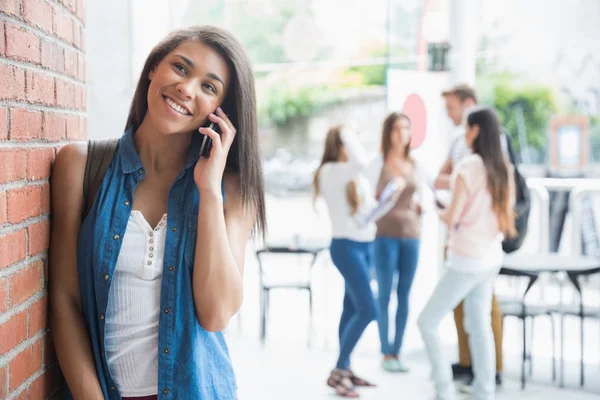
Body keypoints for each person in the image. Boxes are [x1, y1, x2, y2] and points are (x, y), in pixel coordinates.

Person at [49, 26, 266, 399]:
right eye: (181, 68)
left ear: (220, 112)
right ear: (153, 68)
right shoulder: (80, 166)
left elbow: (216, 314)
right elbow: (65, 299)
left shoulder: (231, 189)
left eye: (209, 87)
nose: (187, 88)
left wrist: (209, 191)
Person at [418, 107, 516, 400]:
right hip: (490, 256)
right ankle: (485, 391)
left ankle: (443, 389)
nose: (463, 134)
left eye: (466, 128)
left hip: (466, 259)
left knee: (427, 322)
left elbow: (452, 216)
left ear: (475, 131)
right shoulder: (502, 168)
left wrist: (437, 209)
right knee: (479, 323)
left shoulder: (468, 167)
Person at [314, 125, 399, 398]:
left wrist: (383, 204)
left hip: (364, 245)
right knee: (369, 309)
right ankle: (339, 370)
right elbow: (361, 161)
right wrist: (345, 130)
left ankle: (346, 369)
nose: (354, 146)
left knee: (351, 309)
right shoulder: (330, 171)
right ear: (340, 144)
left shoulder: (350, 176)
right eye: (349, 142)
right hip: (346, 247)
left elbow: (364, 210)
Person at [434, 84, 505, 385]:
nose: (450, 117)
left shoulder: (474, 163)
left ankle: (471, 380)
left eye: (452, 109)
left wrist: (449, 202)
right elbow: (441, 176)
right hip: (483, 248)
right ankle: (477, 374)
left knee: (433, 320)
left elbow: (450, 207)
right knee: (474, 316)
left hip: (472, 249)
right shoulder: (490, 163)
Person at [372, 112, 422, 373]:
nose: (402, 133)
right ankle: (385, 350)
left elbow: (419, 195)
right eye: (397, 128)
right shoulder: (379, 163)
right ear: (388, 132)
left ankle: (397, 350)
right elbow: (368, 200)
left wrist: (420, 206)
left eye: (406, 128)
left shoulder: (414, 163)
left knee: (404, 295)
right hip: (385, 236)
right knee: (384, 294)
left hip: (412, 235)